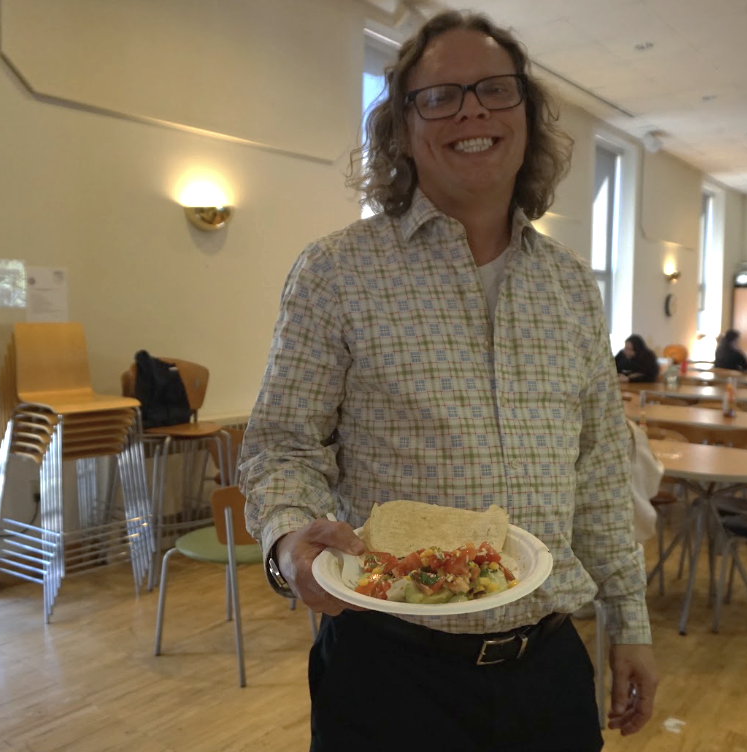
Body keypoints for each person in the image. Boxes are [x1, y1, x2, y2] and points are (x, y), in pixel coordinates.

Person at [239, 11, 657, 752]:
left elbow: (598, 471)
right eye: (440, 96)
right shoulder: (337, 272)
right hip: (390, 675)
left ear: (526, 116)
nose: (472, 112)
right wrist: (287, 541)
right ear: (402, 128)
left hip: (547, 669)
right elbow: (281, 445)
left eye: (496, 91)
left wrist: (631, 622)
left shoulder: (570, 287)